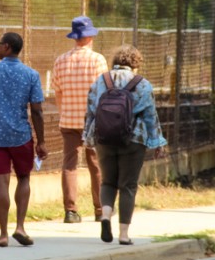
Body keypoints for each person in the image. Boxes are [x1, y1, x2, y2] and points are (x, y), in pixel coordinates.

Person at [84, 45, 167, 245]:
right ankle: (123, 234)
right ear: (135, 63)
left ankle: (105, 216)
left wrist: (87, 138)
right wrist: (157, 142)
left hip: (104, 138)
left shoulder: (100, 81)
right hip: (134, 139)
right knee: (128, 186)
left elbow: (91, 112)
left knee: (108, 182)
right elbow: (150, 117)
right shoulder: (143, 84)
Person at [0, 32, 47, 247]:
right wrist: (41, 140)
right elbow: (37, 111)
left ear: (6, 47)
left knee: (1, 181)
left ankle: (3, 234)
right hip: (21, 135)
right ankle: (21, 227)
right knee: (24, 178)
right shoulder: (31, 74)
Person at [52, 16, 108, 224]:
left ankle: (70, 211)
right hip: (93, 120)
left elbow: (57, 92)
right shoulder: (98, 60)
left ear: (74, 37)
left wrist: (64, 111)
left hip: (68, 120)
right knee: (97, 164)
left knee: (69, 164)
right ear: (91, 35)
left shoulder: (61, 60)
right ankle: (101, 210)